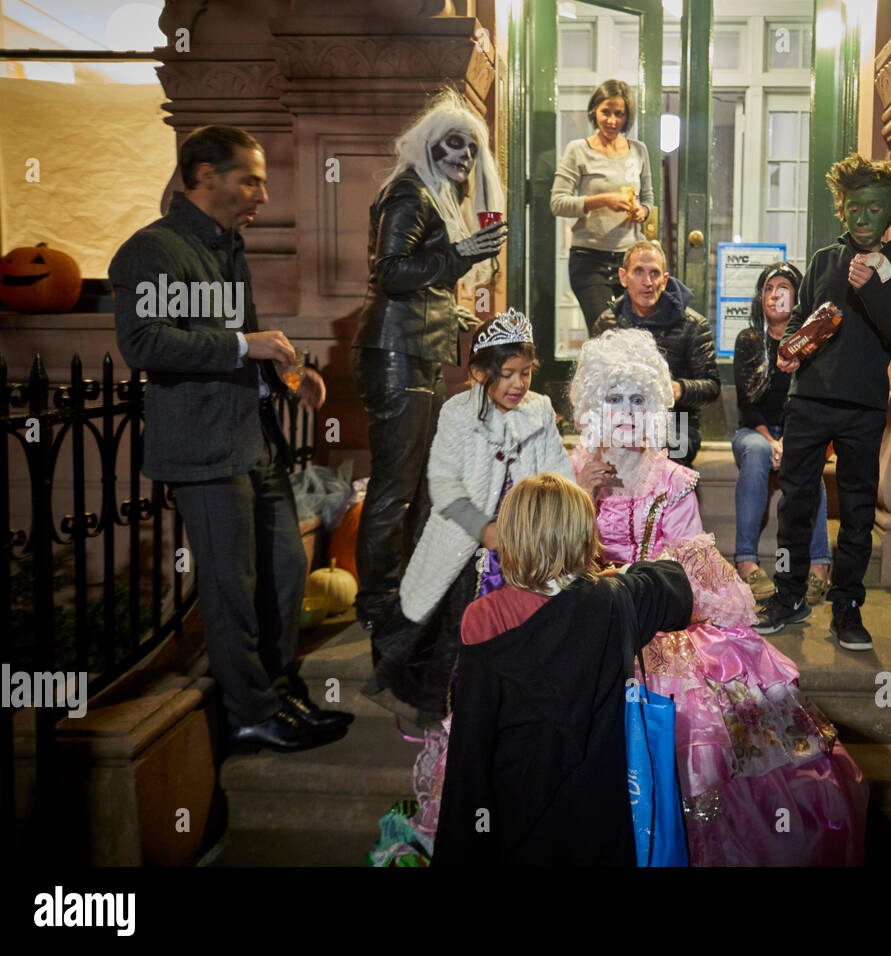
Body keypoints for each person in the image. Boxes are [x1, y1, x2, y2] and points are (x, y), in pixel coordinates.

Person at [569, 328, 869, 866]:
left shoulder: (673, 480)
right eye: (613, 398)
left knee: (700, 716)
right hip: (586, 617)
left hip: (658, 619)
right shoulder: (570, 472)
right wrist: (582, 496)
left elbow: (692, 573)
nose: (627, 411)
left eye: (639, 399)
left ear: (657, 406)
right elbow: (553, 558)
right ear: (592, 403)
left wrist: (640, 588)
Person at [110, 125, 351, 752]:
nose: (263, 195)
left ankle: (276, 690)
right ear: (204, 176)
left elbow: (239, 341)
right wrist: (249, 344)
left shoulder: (228, 248)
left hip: (255, 440)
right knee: (229, 587)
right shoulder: (151, 251)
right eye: (251, 179)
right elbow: (144, 344)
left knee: (285, 569)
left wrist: (291, 374)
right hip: (204, 450)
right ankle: (249, 713)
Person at [432, 474, 693, 866]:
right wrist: (616, 577)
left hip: (516, 816)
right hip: (601, 814)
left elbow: (471, 752)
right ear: (585, 536)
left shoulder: (486, 618)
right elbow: (676, 589)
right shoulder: (617, 602)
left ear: (512, 536)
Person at [363, 310, 575, 718]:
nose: (519, 384)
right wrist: (485, 529)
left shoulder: (541, 410)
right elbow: (443, 484)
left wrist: (564, 508)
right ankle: (454, 711)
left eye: (526, 373)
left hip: (526, 544)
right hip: (468, 538)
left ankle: (513, 711)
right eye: (508, 373)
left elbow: (558, 474)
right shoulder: (459, 412)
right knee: (453, 633)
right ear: (480, 372)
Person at [352, 90, 508, 632]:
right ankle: (375, 605)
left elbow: (421, 281)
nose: (464, 158)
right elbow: (391, 271)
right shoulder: (410, 191)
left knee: (422, 481)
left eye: (471, 149)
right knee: (396, 485)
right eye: (454, 145)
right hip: (396, 353)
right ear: (428, 144)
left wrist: (457, 316)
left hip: (417, 350)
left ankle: (412, 595)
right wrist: (466, 253)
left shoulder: (432, 194)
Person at [754, 153, 891, 652]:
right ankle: (788, 594)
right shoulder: (824, 260)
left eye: (875, 208)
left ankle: (848, 606)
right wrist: (790, 352)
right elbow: (805, 320)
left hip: (864, 409)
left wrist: (870, 289)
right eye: (854, 206)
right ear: (842, 209)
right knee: (795, 504)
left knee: (855, 512)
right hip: (808, 402)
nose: (863, 217)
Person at [731, 261, 831, 603]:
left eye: (783, 289)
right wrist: (773, 440)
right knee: (758, 450)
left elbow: (811, 399)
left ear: (798, 296)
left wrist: (790, 441)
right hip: (753, 431)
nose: (775, 296)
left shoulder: (812, 342)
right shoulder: (748, 341)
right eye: (769, 289)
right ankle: (746, 560)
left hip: (799, 431)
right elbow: (748, 404)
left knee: (808, 459)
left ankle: (819, 566)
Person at [592, 240, 720, 467]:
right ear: (624, 277)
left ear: (665, 280)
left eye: (654, 273)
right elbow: (591, 384)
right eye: (638, 272)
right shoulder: (607, 323)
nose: (647, 282)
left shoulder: (693, 324)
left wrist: (678, 389)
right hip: (620, 417)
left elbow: (712, 385)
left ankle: (670, 501)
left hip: (676, 421)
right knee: (601, 450)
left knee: (666, 450)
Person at [550, 78, 655, 332]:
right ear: (593, 111)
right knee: (605, 332)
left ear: (627, 117)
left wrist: (643, 211)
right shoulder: (578, 150)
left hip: (630, 261)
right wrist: (603, 200)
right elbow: (558, 203)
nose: (612, 120)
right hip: (589, 259)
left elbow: (649, 198)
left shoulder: (638, 151)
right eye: (605, 112)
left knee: (632, 332)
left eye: (619, 114)